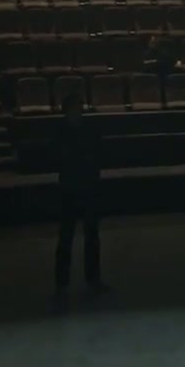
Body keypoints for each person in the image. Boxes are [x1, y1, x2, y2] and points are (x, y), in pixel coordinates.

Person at [55, 92, 105, 298]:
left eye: (79, 108)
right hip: (70, 188)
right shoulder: (60, 132)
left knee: (91, 235)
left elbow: (97, 153)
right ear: (67, 111)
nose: (78, 112)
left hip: (87, 186)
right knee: (66, 236)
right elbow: (60, 158)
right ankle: (61, 282)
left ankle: (93, 278)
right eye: (75, 108)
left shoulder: (88, 130)